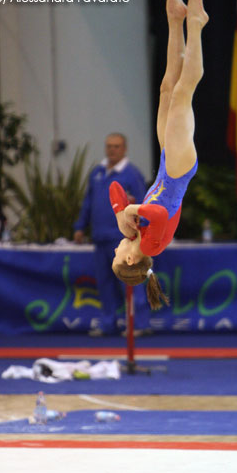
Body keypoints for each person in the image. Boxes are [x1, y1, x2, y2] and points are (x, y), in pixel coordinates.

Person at [109, 0, 208, 310]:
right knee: (184, 92)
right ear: (129, 260)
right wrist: (133, 212)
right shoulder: (151, 247)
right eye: (117, 256)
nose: (114, 249)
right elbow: (160, 213)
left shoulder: (135, 235)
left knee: (167, 88)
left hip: (169, 161)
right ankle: (196, 24)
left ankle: (174, 19)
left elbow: (114, 187)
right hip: (179, 171)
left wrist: (120, 212)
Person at [73, 133, 151, 335]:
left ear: (124, 149)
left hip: (123, 240)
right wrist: (80, 226)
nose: (112, 150)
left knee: (130, 281)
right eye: (109, 146)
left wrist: (141, 233)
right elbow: (88, 202)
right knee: (105, 284)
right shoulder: (97, 173)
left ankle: (139, 324)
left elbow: (143, 205)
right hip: (100, 239)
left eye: (116, 146)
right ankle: (108, 323)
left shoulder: (132, 174)